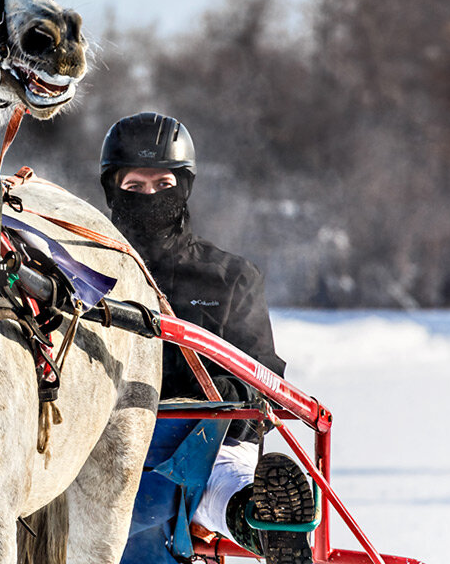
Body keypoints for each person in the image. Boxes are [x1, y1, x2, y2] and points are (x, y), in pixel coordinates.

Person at [102, 112, 314, 564]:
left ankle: (267, 523)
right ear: (111, 190)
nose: (150, 197)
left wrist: (213, 400)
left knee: (221, 476)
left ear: (184, 187)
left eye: (163, 185)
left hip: (203, 441)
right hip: (103, 435)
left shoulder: (229, 277)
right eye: (134, 187)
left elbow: (263, 377)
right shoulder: (82, 273)